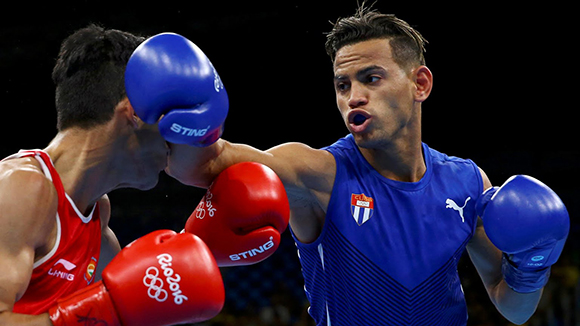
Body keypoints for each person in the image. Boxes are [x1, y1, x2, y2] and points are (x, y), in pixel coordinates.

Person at [125, 5, 569, 326]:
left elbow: (512, 308)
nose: (353, 96)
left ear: (420, 83)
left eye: (371, 78)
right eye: (342, 84)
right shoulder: (317, 173)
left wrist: (533, 265)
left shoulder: (468, 182)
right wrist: (189, 115)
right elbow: (204, 165)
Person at [0, 24, 289, 326]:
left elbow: (134, 299)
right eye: (169, 126)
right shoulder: (23, 187)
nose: (175, 145)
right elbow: (106, 309)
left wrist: (198, 251)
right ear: (135, 112)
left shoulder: (96, 215)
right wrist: (108, 307)